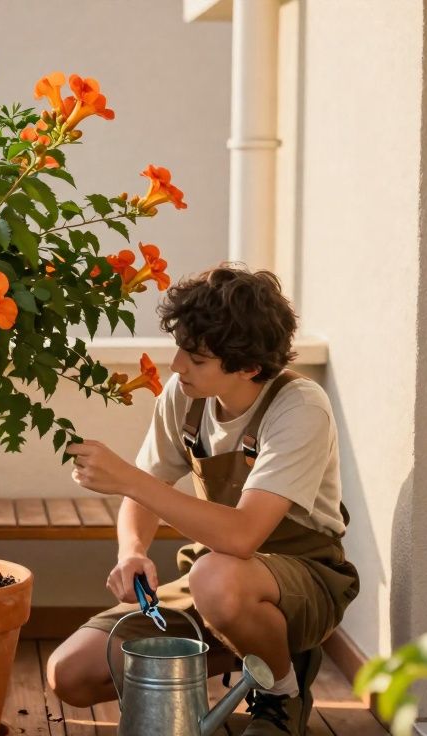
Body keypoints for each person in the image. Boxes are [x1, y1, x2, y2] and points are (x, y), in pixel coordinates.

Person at [52, 265, 359, 736]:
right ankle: (258, 646)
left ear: (249, 366)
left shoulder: (299, 408)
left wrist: (128, 479)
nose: (176, 366)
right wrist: (131, 551)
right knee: (70, 673)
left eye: (196, 358)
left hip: (305, 577)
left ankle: (282, 693)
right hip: (216, 581)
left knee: (215, 574)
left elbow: (242, 535)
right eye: (180, 348)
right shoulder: (184, 397)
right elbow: (149, 491)